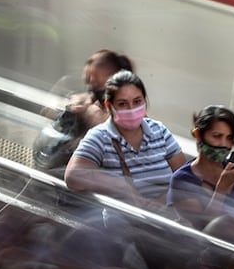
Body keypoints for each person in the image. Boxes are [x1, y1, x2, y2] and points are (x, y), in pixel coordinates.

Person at [65, 71, 186, 207]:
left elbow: (184, 177)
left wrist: (161, 203)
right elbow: (73, 176)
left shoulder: (159, 131)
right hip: (123, 220)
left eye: (137, 102)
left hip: (165, 217)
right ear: (109, 106)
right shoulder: (100, 137)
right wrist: (122, 186)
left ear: (145, 101)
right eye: (122, 104)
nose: (131, 109)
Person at [167, 106, 234, 230]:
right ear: (198, 135)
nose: (223, 144)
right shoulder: (183, 180)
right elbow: (204, 230)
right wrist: (221, 190)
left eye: (229, 138)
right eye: (216, 136)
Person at [33, 51, 134, 172]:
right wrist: (69, 108)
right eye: (88, 80)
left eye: (96, 81)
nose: (91, 84)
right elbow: (46, 112)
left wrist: (92, 115)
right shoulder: (84, 99)